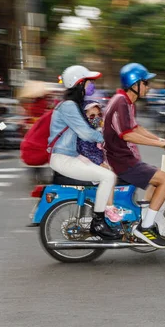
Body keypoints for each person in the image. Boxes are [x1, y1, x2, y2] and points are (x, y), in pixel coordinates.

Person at [103, 63, 165, 249]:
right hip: (121, 160)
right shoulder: (120, 102)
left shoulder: (126, 102)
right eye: (145, 82)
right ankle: (145, 227)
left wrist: (160, 140)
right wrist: (160, 144)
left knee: (155, 179)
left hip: (123, 158)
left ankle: (144, 217)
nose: (148, 87)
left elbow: (136, 128)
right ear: (135, 83)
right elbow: (127, 134)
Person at [48, 65, 120, 240]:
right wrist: (105, 140)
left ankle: (105, 212)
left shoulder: (74, 105)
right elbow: (86, 133)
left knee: (107, 173)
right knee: (108, 177)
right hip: (64, 158)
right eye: (89, 82)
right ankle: (99, 222)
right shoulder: (69, 106)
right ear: (79, 83)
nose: (91, 85)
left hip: (71, 157)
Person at [76, 101, 122, 222]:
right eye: (92, 116)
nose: (96, 118)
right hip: (85, 161)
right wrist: (100, 162)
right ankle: (109, 208)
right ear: (84, 116)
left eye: (98, 115)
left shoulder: (96, 129)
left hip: (92, 160)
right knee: (110, 175)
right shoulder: (84, 130)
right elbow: (85, 149)